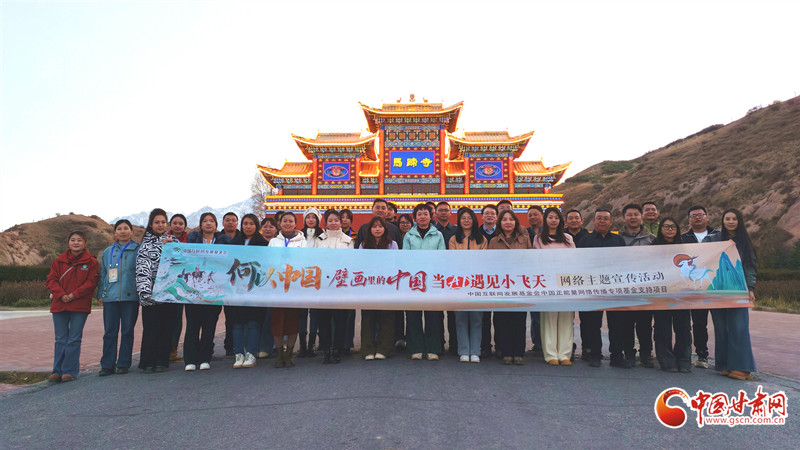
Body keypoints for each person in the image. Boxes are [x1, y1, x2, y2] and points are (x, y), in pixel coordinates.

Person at [703, 208, 757, 381]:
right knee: (721, 328)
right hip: (717, 289)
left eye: (734, 219)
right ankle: (725, 364)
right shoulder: (714, 239)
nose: (731, 222)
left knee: (738, 327)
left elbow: (749, 266)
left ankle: (742, 368)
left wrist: (750, 288)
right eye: (728, 218)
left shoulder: (744, 242)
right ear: (723, 221)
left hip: (738, 289)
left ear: (739, 221)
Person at [46, 231, 100, 382]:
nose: (76, 243)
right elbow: (51, 280)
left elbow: (91, 282)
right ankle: (57, 371)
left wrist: (74, 295)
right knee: (60, 339)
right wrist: (61, 294)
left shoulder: (92, 262)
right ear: (68, 243)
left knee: (74, 339)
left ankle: (69, 371)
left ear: (85, 243)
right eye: (73, 240)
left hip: (79, 305)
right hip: (60, 303)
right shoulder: (58, 261)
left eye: (79, 240)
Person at [576, 208, 626, 368]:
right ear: (594, 221)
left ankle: (617, 356)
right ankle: (595, 355)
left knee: (617, 324)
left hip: (614, 289)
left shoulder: (619, 241)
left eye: (605, 218)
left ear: (611, 222)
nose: (602, 221)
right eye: (599, 218)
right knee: (592, 324)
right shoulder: (584, 241)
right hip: (592, 288)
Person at [136, 208, 179, 373]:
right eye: (157, 222)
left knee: (167, 329)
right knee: (151, 329)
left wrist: (173, 246)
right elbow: (142, 270)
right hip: (152, 295)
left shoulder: (173, 241)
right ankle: (148, 362)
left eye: (163, 222)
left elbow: (182, 263)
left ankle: (162, 360)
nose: (160, 225)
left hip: (170, 294)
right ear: (151, 224)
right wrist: (145, 293)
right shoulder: (145, 245)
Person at [533, 208, 576, 366]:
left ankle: (564, 354)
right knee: (548, 319)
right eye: (550, 217)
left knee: (566, 319)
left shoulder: (568, 238)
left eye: (556, 217)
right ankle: (550, 354)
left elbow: (574, 259)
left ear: (560, 220)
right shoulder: (539, 239)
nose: (553, 220)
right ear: (545, 220)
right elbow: (537, 260)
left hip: (565, 282)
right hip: (548, 283)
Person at [226, 214, 269, 369]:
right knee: (237, 323)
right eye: (245, 223)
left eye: (251, 223)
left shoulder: (263, 244)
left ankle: (251, 353)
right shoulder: (234, 244)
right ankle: (239, 353)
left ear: (256, 226)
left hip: (255, 288)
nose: (248, 226)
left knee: (253, 322)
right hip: (237, 289)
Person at [97, 220, 140, 376]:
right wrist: (100, 294)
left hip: (131, 297)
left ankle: (123, 363)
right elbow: (103, 274)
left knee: (127, 331)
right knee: (110, 332)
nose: (122, 231)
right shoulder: (107, 252)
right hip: (111, 297)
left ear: (131, 231)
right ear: (115, 232)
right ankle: (107, 365)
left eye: (126, 228)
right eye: (119, 229)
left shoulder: (138, 250)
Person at [403, 203, 445, 360]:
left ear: (431, 216)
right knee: (413, 315)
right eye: (419, 214)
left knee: (433, 315)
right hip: (413, 280)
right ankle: (416, 348)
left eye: (425, 214)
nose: (422, 217)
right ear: (415, 218)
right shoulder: (409, 236)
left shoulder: (438, 235)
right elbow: (405, 257)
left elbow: (442, 256)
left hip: (432, 280)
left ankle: (433, 348)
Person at [488, 210, 531, 365]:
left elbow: (531, 259)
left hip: (520, 284)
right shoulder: (494, 241)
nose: (508, 222)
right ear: (500, 223)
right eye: (504, 219)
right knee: (503, 320)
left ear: (515, 222)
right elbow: (489, 263)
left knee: (519, 320)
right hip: (501, 285)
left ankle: (519, 352)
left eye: (511, 219)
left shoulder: (524, 239)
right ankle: (506, 352)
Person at [183, 212, 224, 371]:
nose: (208, 223)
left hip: (214, 290)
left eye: (211, 221)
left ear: (216, 225)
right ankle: (190, 359)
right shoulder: (192, 242)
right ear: (200, 225)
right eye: (205, 221)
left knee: (209, 325)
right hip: (193, 290)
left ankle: (205, 358)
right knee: (192, 325)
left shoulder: (223, 242)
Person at [651, 217, 692, 373]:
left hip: (682, 293)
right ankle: (666, 360)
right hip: (660, 294)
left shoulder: (684, 247)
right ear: (660, 229)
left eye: (672, 226)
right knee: (662, 328)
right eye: (666, 226)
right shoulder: (653, 247)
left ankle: (684, 359)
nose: (669, 229)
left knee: (683, 328)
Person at [681, 205, 719, 369]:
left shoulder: (719, 236)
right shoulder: (683, 238)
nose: (697, 218)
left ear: (707, 217)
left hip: (716, 287)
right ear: (689, 219)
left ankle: (723, 357)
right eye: (693, 215)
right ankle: (701, 355)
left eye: (700, 215)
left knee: (720, 323)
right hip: (693, 288)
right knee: (698, 323)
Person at [314, 209, 354, 364]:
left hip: (341, 285)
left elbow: (351, 262)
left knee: (340, 319)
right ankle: (326, 349)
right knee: (323, 319)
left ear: (340, 222)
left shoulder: (348, 240)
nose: (333, 223)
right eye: (330, 220)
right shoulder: (319, 240)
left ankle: (338, 349)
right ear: (325, 222)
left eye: (336, 220)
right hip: (323, 285)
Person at [619, 203, 655, 368]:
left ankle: (646, 354)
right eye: (629, 215)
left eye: (636, 214)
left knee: (645, 324)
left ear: (641, 217)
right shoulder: (618, 239)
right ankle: (629, 353)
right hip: (624, 289)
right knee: (626, 324)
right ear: (624, 217)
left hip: (645, 288)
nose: (633, 217)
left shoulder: (651, 239)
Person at [448, 207, 486, 363]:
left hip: (477, 282)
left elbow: (484, 260)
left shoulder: (482, 239)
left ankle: (475, 351)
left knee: (477, 318)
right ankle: (464, 350)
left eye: (469, 218)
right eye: (463, 218)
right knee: (460, 317)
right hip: (459, 282)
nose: (466, 221)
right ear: (459, 221)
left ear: (474, 220)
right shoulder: (453, 239)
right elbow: (452, 259)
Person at [268, 212, 306, 368]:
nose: (288, 223)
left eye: (291, 221)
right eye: (285, 221)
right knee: (277, 321)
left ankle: (290, 354)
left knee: (292, 321)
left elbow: (305, 261)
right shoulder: (273, 241)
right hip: (276, 286)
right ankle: (279, 355)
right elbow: (268, 261)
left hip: (295, 286)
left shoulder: (303, 242)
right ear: (280, 223)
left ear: (295, 224)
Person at [359, 216, 399, 360]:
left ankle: (384, 349)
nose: (377, 229)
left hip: (387, 285)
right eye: (374, 226)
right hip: (368, 285)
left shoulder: (392, 244)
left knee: (386, 317)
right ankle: (368, 349)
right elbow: (360, 264)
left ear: (385, 229)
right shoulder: (364, 244)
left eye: (380, 226)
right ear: (370, 229)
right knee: (368, 317)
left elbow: (396, 263)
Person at [298, 207, 323, 357]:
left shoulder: (323, 236)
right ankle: (302, 344)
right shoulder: (298, 236)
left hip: (317, 277)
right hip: (300, 277)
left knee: (315, 312)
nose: (311, 220)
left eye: (314, 217)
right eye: (308, 217)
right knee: (301, 312)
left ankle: (312, 343)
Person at [434, 201, 457, 354]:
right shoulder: (431, 230)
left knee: (453, 313)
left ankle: (455, 344)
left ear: (450, 213)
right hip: (436, 275)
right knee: (436, 313)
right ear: (436, 213)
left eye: (446, 210)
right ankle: (439, 344)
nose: (443, 213)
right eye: (440, 210)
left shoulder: (456, 230)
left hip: (453, 275)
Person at [479, 204, 499, 358]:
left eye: (493, 213)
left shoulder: (503, 232)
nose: (490, 215)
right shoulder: (477, 233)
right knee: (484, 316)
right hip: (482, 279)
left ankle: (500, 346)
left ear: (497, 216)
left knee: (500, 316)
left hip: (501, 279)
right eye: (487, 213)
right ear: (482, 216)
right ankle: (484, 346)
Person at [257, 216, 278, 358]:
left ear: (276, 229)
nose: (268, 229)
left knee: (271, 316)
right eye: (265, 226)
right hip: (258, 284)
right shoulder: (256, 243)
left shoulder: (279, 244)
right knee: (259, 316)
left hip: (275, 285)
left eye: (271, 227)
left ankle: (270, 346)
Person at [168, 213, 188, 362]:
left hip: (185, 283)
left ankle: (174, 349)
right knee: (168, 317)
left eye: (181, 223)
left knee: (178, 318)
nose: (177, 226)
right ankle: (165, 348)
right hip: (167, 284)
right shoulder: (164, 240)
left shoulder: (190, 240)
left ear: (184, 226)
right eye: (175, 223)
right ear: (170, 225)